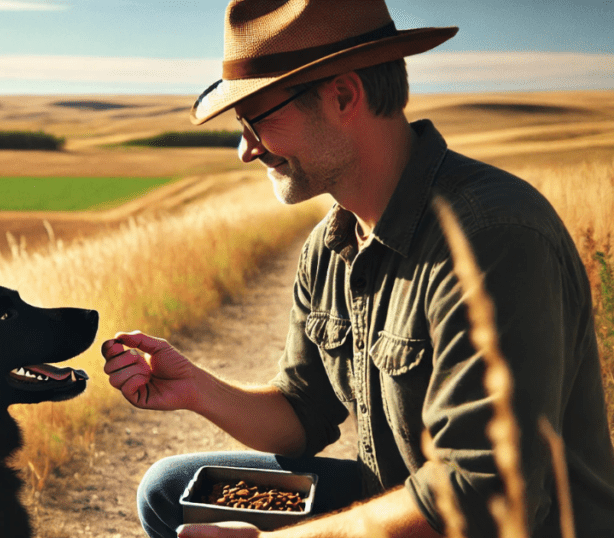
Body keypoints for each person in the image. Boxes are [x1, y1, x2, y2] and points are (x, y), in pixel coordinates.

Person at [99, 1, 614, 537]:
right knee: (168, 490)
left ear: (343, 96)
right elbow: (303, 415)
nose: (245, 149)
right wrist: (197, 390)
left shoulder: (491, 237)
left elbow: (485, 496)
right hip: (404, 498)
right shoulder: (330, 244)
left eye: (258, 118)